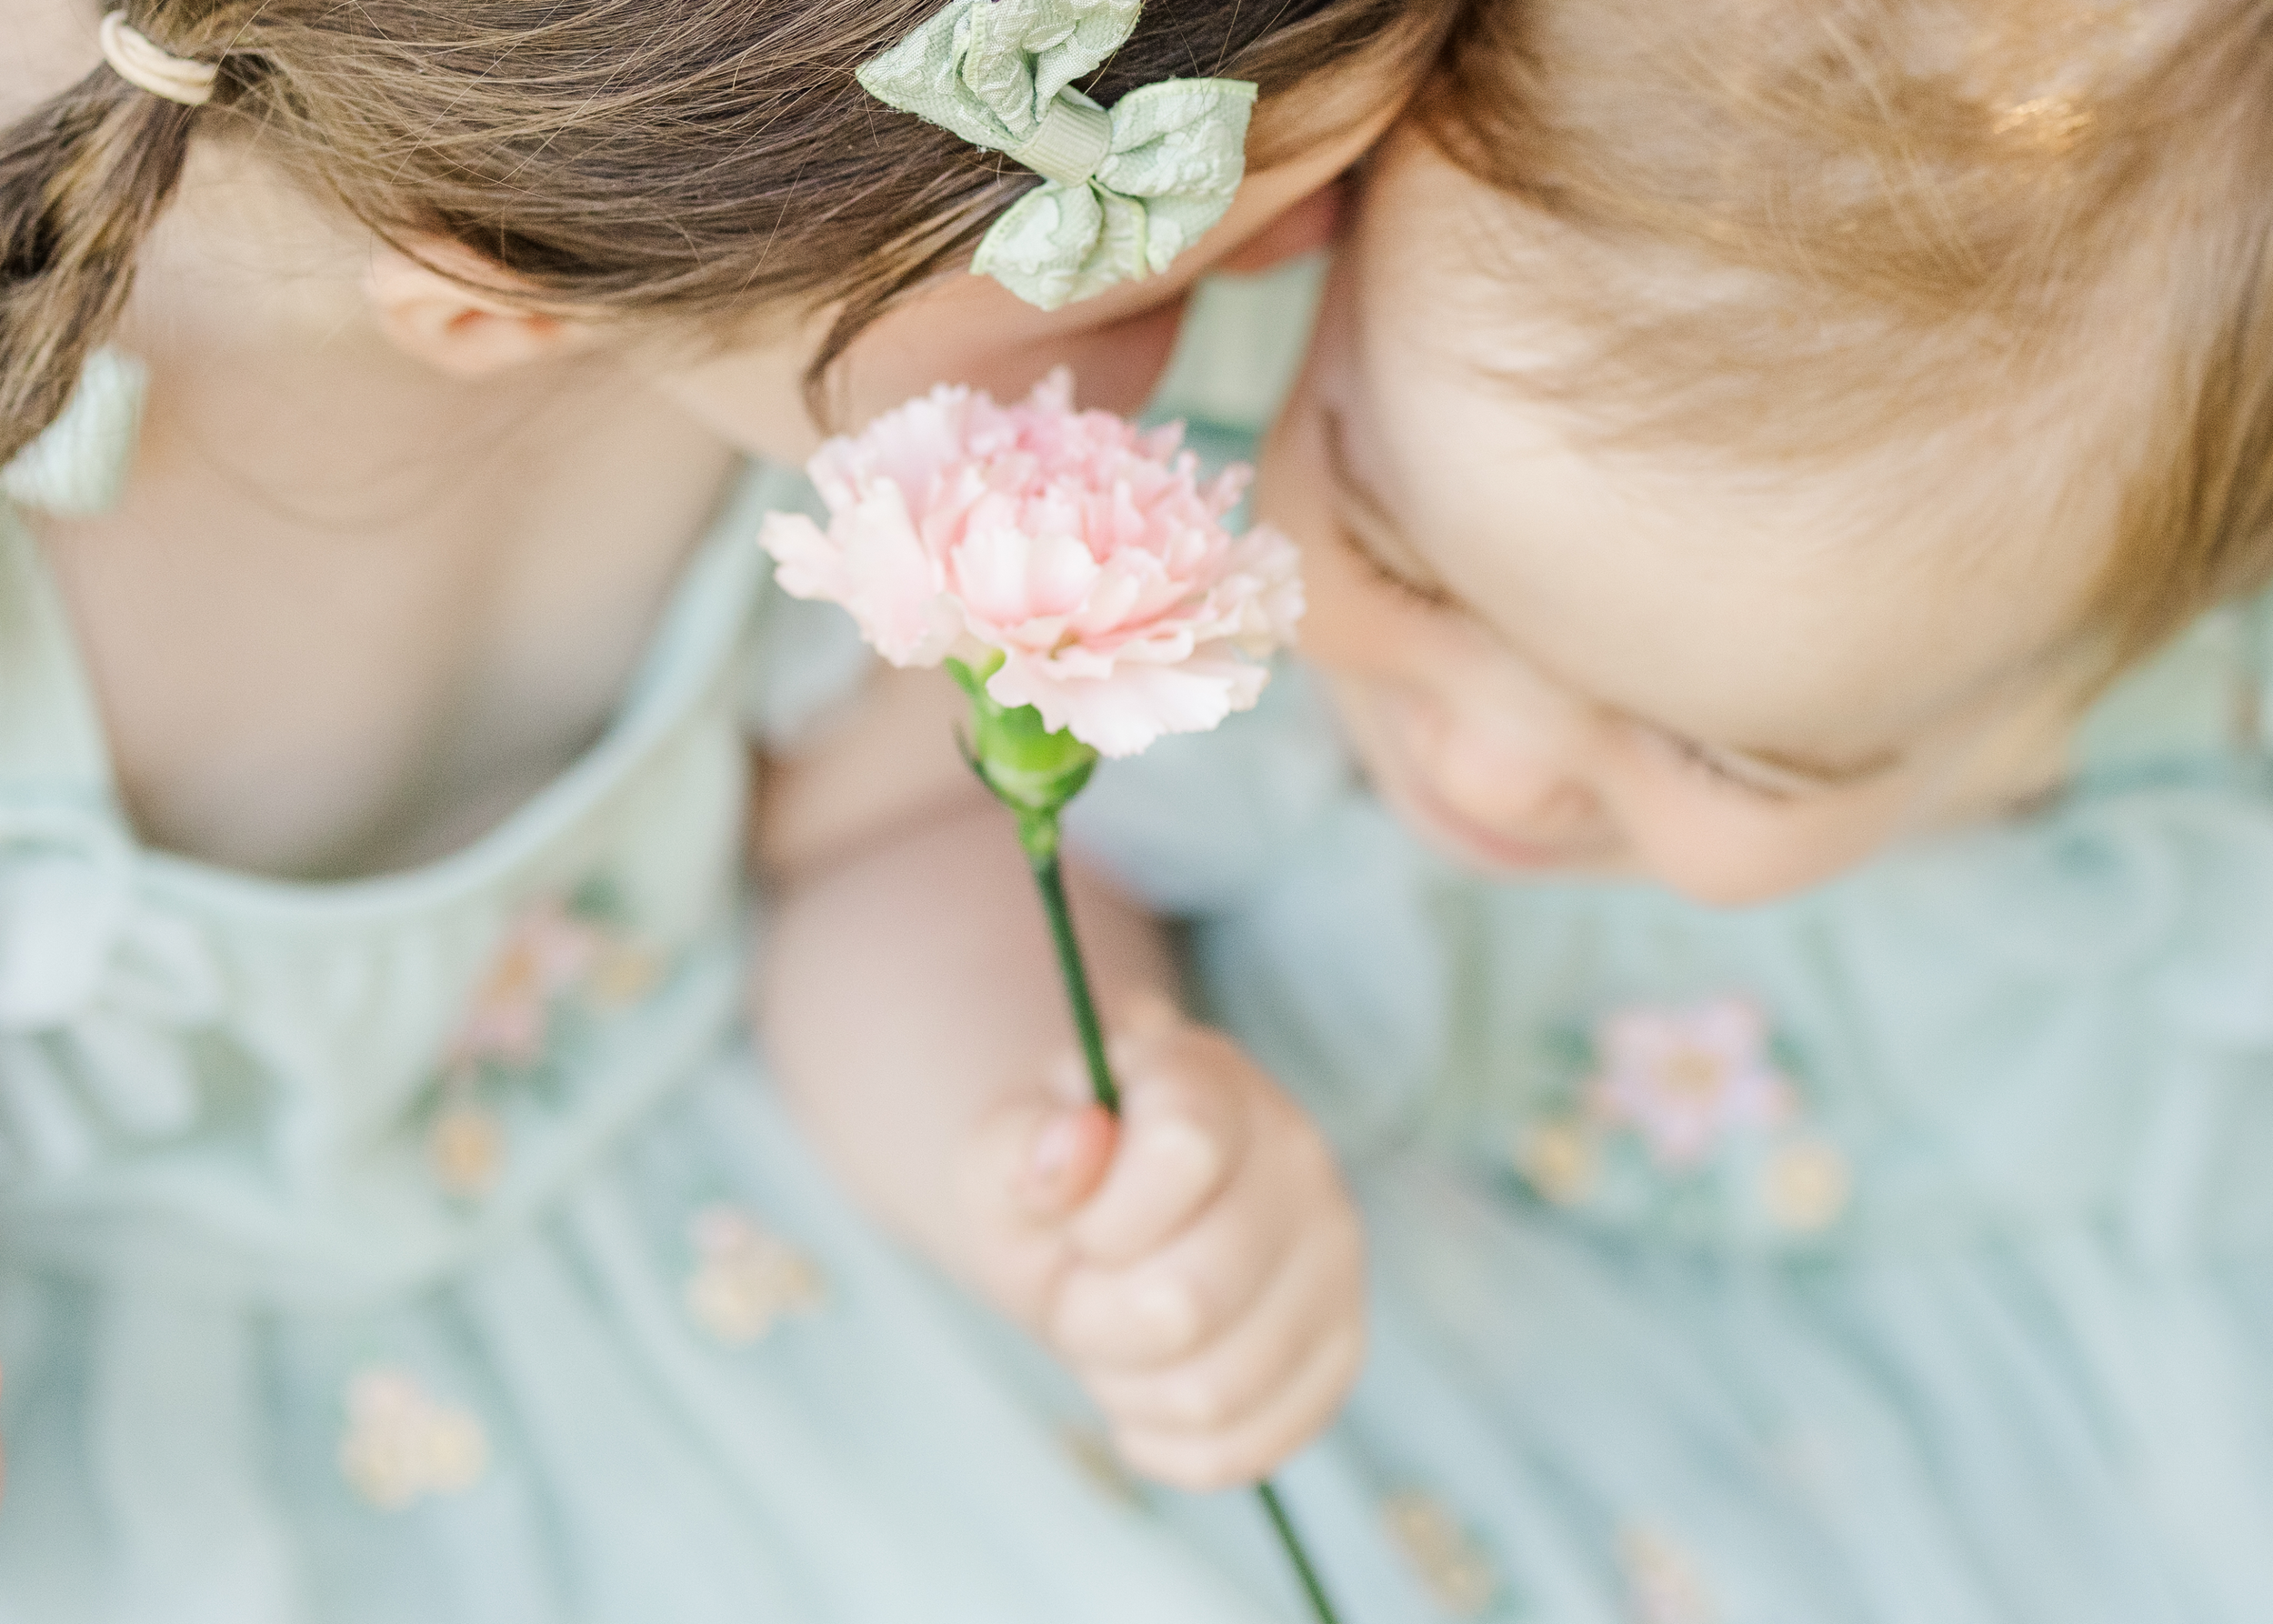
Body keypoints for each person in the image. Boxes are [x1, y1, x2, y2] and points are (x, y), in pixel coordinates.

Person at [789, 0, 2273, 1617]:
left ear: (2086, 683)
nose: (1484, 769)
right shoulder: (1188, 532)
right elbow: (878, 851)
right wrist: (1046, 1156)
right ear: (1339, 253)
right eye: (1392, 548)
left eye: (1724, 752)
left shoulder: (2179, 820)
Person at [0, 0, 1458, 1615]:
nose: (1323, 257)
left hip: (745, 1211)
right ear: (499, 296)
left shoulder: (773, 289)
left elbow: (883, 824)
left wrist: (1056, 1156)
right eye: (1169, 265)